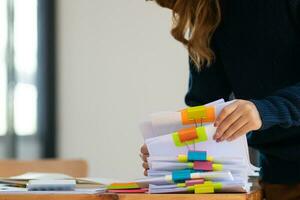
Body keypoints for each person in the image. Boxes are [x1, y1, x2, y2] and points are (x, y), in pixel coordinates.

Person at [140, 0, 300, 199]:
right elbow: (205, 111)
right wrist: (168, 151)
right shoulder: (209, 18)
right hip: (279, 179)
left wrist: (265, 110)